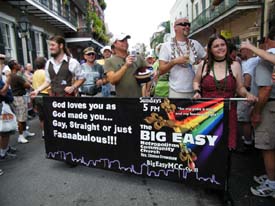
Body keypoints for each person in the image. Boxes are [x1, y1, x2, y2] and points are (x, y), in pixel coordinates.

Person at [193, 34, 257, 150]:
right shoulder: (203, 65)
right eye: (216, 46)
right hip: (208, 114)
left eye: (223, 45)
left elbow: (240, 88)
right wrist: (197, 91)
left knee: (226, 149)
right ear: (210, 50)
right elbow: (196, 81)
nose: (220, 48)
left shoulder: (235, 65)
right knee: (208, 149)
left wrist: (247, 94)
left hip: (229, 113)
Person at [242, 28, 275, 197]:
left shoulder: (264, 61)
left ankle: (272, 183)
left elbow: (265, 90)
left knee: (268, 146)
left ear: (267, 41)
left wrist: (256, 112)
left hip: (269, 107)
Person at [159, 17, 206, 98]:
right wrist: (174, 62)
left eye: (188, 24)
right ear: (175, 28)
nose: (187, 26)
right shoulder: (166, 46)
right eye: (183, 24)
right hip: (176, 92)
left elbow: (208, 59)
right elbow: (161, 71)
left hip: (195, 91)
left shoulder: (195, 44)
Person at [104, 33, 147, 97]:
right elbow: (112, 80)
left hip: (139, 100)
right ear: (114, 44)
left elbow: (150, 72)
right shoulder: (109, 61)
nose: (125, 43)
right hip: (122, 101)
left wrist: (147, 90)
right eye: (122, 41)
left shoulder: (138, 57)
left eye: (126, 40)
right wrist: (125, 66)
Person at [9, 60, 35, 144]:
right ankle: (20, 136)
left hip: (18, 96)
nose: (19, 65)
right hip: (18, 97)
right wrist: (27, 82)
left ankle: (24, 132)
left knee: (23, 115)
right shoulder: (17, 76)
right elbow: (27, 85)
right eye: (17, 64)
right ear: (14, 66)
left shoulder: (13, 75)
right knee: (20, 117)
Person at [0, 54, 16, 160]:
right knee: (4, 131)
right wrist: (9, 79)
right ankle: (2, 153)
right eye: (1, 61)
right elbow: (2, 92)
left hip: (4, 102)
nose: (2, 64)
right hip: (2, 103)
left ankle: (4, 149)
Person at [32, 57, 49, 138]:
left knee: (41, 117)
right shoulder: (45, 73)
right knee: (48, 116)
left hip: (37, 96)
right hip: (45, 95)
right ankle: (50, 133)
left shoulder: (35, 73)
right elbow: (49, 86)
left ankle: (44, 133)